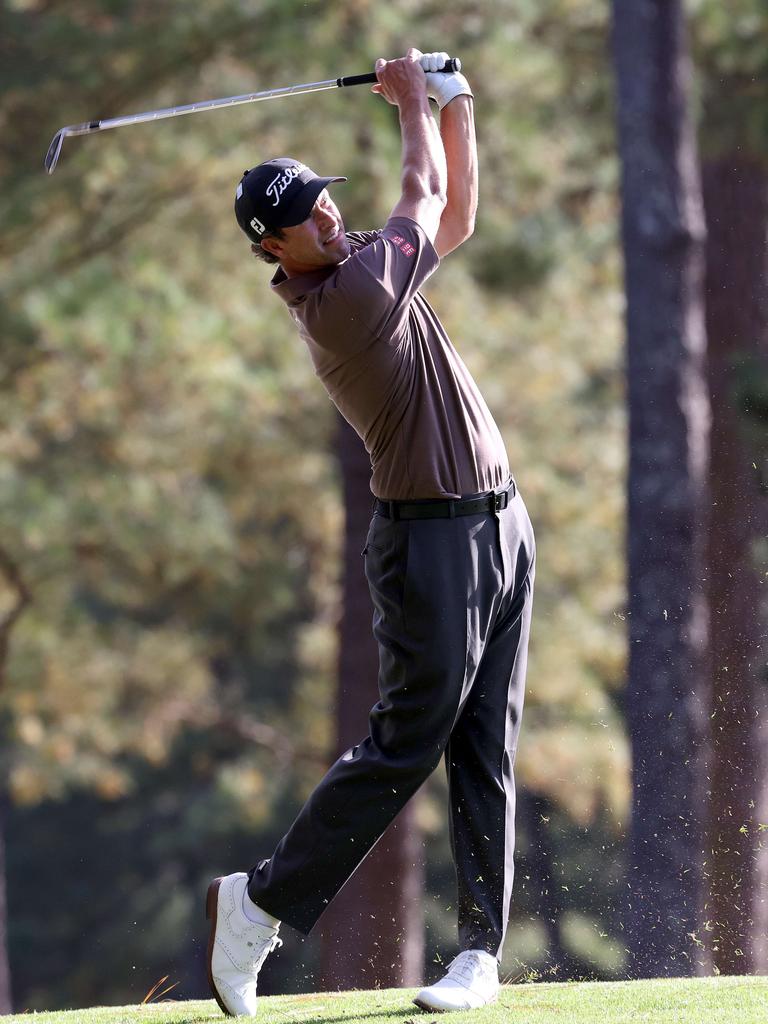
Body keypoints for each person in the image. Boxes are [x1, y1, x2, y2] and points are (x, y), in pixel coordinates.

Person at [207, 49, 536, 1017]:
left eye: (323, 200)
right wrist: (409, 105)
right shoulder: (344, 305)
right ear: (276, 249)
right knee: (406, 742)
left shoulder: (355, 264)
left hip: (501, 524)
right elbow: (423, 188)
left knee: (487, 743)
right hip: (430, 540)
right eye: (306, 216)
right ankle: (257, 903)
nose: (327, 216)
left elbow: (457, 212)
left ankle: (479, 952)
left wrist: (455, 98)